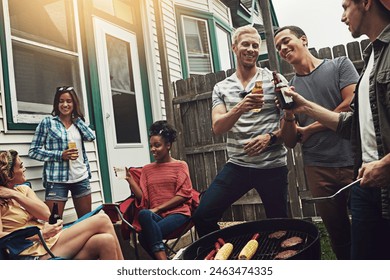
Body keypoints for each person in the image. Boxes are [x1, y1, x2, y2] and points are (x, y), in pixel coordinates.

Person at [279, 0, 390, 259]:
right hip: (364, 178)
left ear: (365, 3)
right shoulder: (373, 56)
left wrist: (387, 164)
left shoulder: (341, 64)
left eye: (345, 6)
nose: (342, 17)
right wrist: (300, 107)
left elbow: (346, 108)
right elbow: (355, 123)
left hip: (374, 173)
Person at [192, 25, 289, 238]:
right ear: (234, 47)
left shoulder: (275, 80)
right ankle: (226, 252)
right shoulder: (222, 87)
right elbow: (218, 127)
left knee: (280, 227)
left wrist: (270, 138)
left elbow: (291, 127)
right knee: (203, 215)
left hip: (272, 165)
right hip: (238, 165)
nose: (251, 49)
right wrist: (240, 107)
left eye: (256, 45)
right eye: (246, 44)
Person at [274, 25, 359, 259]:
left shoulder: (339, 65)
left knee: (369, 227)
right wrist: (289, 114)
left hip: (354, 160)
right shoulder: (289, 88)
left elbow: (352, 104)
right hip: (318, 168)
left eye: (286, 40)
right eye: (278, 46)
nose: (282, 48)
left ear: (303, 39)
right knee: (337, 233)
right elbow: (291, 141)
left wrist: (310, 128)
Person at [0, 150, 123, 260]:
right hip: (33, 252)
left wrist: (16, 195)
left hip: (50, 242)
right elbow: (1, 237)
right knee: (103, 219)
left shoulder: (23, 190)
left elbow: (46, 215)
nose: (24, 169)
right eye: (20, 166)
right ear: (9, 175)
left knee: (106, 241)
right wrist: (39, 235)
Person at [121, 120, 193, 260]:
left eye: (157, 145)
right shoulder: (147, 169)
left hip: (178, 214)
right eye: (151, 146)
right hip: (156, 217)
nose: (153, 149)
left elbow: (184, 194)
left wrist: (158, 208)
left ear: (168, 145)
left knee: (144, 236)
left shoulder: (180, 166)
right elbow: (144, 199)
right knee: (143, 214)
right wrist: (129, 179)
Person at [29, 86, 95, 219]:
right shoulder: (48, 123)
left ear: (74, 103)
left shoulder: (78, 123)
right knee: (53, 222)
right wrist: (60, 155)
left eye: (69, 101)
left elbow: (91, 137)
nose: (65, 104)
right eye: (61, 101)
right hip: (56, 180)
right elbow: (33, 151)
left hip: (81, 177)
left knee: (86, 221)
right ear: (56, 103)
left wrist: (76, 118)